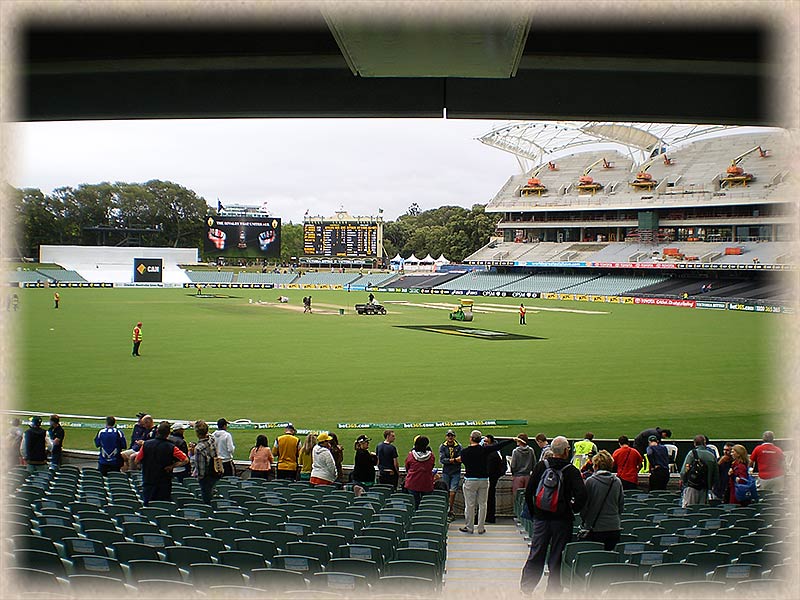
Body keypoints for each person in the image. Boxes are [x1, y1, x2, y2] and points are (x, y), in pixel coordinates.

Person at [520, 436, 587, 595]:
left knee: (536, 553)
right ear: (565, 451)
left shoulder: (541, 466)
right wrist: (572, 509)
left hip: (541, 518)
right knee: (557, 556)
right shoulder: (571, 470)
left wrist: (535, 511)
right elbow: (582, 495)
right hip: (562, 519)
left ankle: (527, 588)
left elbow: (529, 492)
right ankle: (553, 591)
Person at [456, 430, 515, 534]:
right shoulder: (484, 450)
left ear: (470, 438)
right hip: (483, 480)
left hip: (470, 479)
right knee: (483, 504)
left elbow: (464, 461)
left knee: (470, 505)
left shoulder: (464, 452)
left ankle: (469, 527)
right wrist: (512, 440)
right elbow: (498, 446)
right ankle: (481, 527)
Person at [135, 421, 189, 505]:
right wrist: (172, 466)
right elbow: (185, 460)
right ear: (168, 434)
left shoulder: (146, 445)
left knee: (148, 506)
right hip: (164, 483)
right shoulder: (171, 447)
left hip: (148, 480)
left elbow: (137, 460)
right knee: (163, 505)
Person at [580, 450, 624, 551]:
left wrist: (586, 520)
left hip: (595, 527)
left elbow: (585, 506)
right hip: (613, 526)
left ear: (596, 466)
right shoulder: (617, 481)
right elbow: (621, 504)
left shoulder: (591, 481)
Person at [680, 434, 719, 507]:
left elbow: (683, 471)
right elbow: (716, 475)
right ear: (705, 443)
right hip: (705, 488)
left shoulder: (692, 454)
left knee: (689, 509)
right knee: (702, 510)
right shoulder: (711, 455)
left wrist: (684, 481)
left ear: (695, 443)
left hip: (692, 487)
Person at [190, 420, 220, 504]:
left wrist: (199, 478)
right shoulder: (212, 439)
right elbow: (208, 434)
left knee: (207, 497)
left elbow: (201, 469)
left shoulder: (199, 448)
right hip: (215, 471)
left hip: (206, 476)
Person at [404, 435, 435, 508]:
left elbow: (407, 467)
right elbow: (431, 466)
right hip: (426, 483)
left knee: (414, 505)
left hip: (412, 483)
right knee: (426, 506)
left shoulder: (411, 455)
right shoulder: (431, 456)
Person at [438, 430, 462, 520]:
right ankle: (446, 510)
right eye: (448, 436)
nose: (450, 437)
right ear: (446, 437)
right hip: (446, 472)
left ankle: (450, 510)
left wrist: (450, 461)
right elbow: (442, 460)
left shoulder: (458, 446)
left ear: (454, 437)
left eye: (452, 436)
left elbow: (461, 459)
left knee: (452, 492)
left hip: (455, 472)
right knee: (445, 492)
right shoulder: (443, 446)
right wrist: (454, 460)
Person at [485, 434, 507, 524]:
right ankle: (489, 517)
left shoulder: (493, 453)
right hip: (492, 478)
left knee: (487, 498)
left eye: (486, 441)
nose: (484, 443)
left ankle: (488, 517)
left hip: (490, 478)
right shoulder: (496, 453)